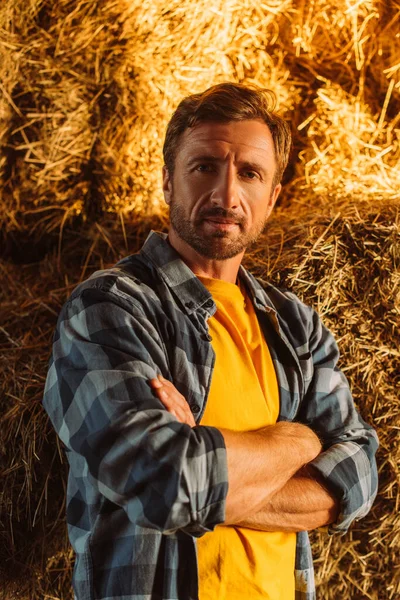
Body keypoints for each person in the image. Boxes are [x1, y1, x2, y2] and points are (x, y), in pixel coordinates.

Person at [43, 82, 379, 600]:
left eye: (249, 173)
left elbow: (356, 480)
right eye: (204, 167)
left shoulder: (296, 328)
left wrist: (201, 457)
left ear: (273, 197)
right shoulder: (111, 307)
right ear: (168, 181)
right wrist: (300, 442)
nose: (226, 195)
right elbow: (160, 480)